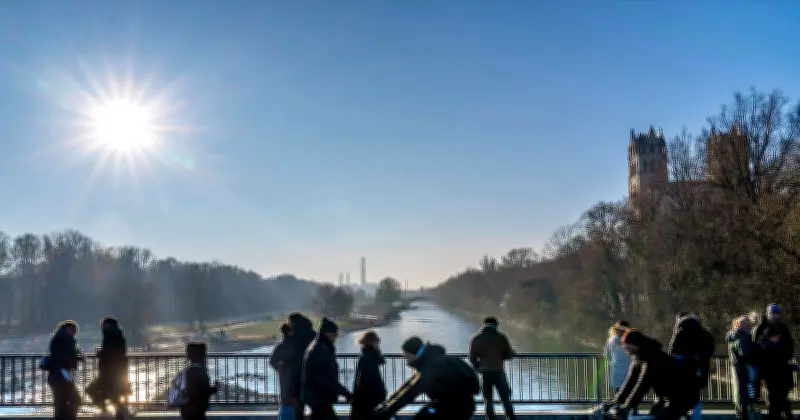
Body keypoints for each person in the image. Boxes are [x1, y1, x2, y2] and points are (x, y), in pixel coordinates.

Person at [374, 336, 479, 420]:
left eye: (406, 356)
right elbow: (408, 385)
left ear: (414, 353)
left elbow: (409, 393)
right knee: (426, 414)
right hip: (461, 405)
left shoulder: (430, 368)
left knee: (423, 417)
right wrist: (388, 404)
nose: (406, 360)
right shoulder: (435, 360)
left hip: (453, 407)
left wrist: (383, 413)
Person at [602, 329, 698, 420]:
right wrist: (617, 401)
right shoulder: (637, 358)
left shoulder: (652, 357)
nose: (624, 347)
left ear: (634, 344)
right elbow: (630, 381)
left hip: (683, 395)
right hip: (669, 396)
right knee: (653, 414)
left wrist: (628, 406)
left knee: (663, 417)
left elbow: (642, 385)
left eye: (626, 345)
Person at [301, 317, 353, 420]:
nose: (336, 336)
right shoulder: (321, 350)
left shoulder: (318, 346)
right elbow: (325, 378)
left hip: (317, 397)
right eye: (334, 333)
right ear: (327, 333)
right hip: (320, 396)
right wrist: (345, 392)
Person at [668, 313, 714, 420]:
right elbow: (709, 350)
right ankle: (695, 416)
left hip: (682, 370)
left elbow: (672, 350)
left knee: (680, 394)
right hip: (698, 369)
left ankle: (682, 413)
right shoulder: (704, 335)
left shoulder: (679, 333)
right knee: (695, 394)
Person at [468, 316, 516, 420]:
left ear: (484, 325)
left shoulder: (476, 338)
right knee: (505, 398)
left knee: (488, 399)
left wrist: (478, 368)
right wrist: (511, 354)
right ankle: (511, 417)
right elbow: (508, 354)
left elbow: (471, 357)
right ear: (496, 325)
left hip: (485, 373)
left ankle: (490, 418)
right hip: (498, 371)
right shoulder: (501, 338)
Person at [753, 304, 794, 420]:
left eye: (776, 314)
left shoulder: (783, 328)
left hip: (782, 366)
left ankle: (780, 413)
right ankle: (776, 414)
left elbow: (789, 346)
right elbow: (755, 346)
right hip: (768, 367)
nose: (774, 316)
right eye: (772, 314)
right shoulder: (760, 328)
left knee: (782, 392)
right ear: (767, 314)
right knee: (773, 392)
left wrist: (784, 355)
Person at [94, 317, 130, 419]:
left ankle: (118, 412)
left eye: (103, 324)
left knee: (108, 391)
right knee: (115, 392)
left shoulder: (110, 336)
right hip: (118, 369)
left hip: (110, 370)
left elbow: (109, 351)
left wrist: (100, 354)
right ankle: (119, 411)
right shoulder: (119, 335)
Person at [46, 320, 83, 420]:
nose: (74, 332)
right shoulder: (59, 340)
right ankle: (68, 417)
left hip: (62, 375)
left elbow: (68, 354)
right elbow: (61, 356)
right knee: (68, 400)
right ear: (66, 329)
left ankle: (66, 417)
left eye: (75, 330)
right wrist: (75, 358)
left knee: (63, 401)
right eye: (73, 329)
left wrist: (77, 356)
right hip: (59, 375)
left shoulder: (68, 340)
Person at [350, 330, 387, 420]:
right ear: (372, 342)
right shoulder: (368, 358)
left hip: (365, 402)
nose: (378, 344)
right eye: (377, 341)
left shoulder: (367, 356)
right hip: (367, 402)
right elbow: (367, 381)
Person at [727, 315, 758, 420]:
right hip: (743, 366)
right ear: (739, 324)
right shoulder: (742, 336)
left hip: (738, 365)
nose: (748, 326)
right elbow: (744, 352)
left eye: (748, 324)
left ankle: (741, 410)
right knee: (745, 390)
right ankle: (744, 412)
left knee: (740, 390)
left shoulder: (734, 335)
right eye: (746, 324)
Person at [287, 312, 317, 420]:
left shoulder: (293, 335)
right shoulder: (312, 333)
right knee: (314, 403)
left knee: (299, 405)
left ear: (293, 322)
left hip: (297, 373)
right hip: (311, 372)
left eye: (289, 322)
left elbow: (291, 354)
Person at [179, 342, 218, 420]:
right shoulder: (200, 371)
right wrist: (214, 388)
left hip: (187, 408)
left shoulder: (187, 371)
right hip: (196, 409)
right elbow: (203, 390)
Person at [269, 323, 295, 420]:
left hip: (284, 379)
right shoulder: (296, 346)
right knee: (291, 402)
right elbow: (272, 361)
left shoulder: (280, 347)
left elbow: (272, 361)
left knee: (286, 402)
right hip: (291, 379)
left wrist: (279, 366)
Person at [604, 321, 631, 395]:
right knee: (630, 399)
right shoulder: (631, 340)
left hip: (616, 374)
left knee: (619, 398)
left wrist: (612, 362)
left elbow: (606, 355)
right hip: (630, 374)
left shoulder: (611, 340)